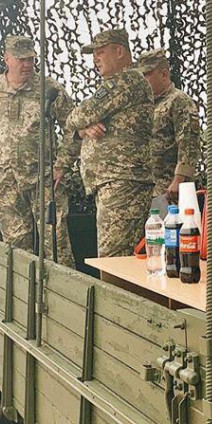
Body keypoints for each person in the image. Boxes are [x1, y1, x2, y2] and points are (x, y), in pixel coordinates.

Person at [0, 35, 79, 266]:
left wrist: (62, 165)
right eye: (21, 60)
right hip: (6, 183)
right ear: (7, 59)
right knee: (16, 249)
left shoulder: (48, 89)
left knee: (57, 245)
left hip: (45, 181)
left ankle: (66, 299)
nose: (27, 65)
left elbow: (75, 128)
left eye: (31, 59)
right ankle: (24, 300)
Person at [65, 28, 153, 257]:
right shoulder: (122, 82)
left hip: (122, 183)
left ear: (120, 51)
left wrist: (81, 123)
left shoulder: (125, 81)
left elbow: (79, 114)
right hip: (115, 183)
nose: (95, 59)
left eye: (101, 52)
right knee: (116, 258)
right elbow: (81, 122)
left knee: (114, 259)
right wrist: (83, 130)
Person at [138, 48, 200, 209]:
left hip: (169, 191)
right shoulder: (143, 105)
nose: (142, 80)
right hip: (145, 189)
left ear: (164, 74)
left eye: (147, 75)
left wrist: (179, 179)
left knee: (170, 234)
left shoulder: (179, 101)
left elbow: (188, 143)